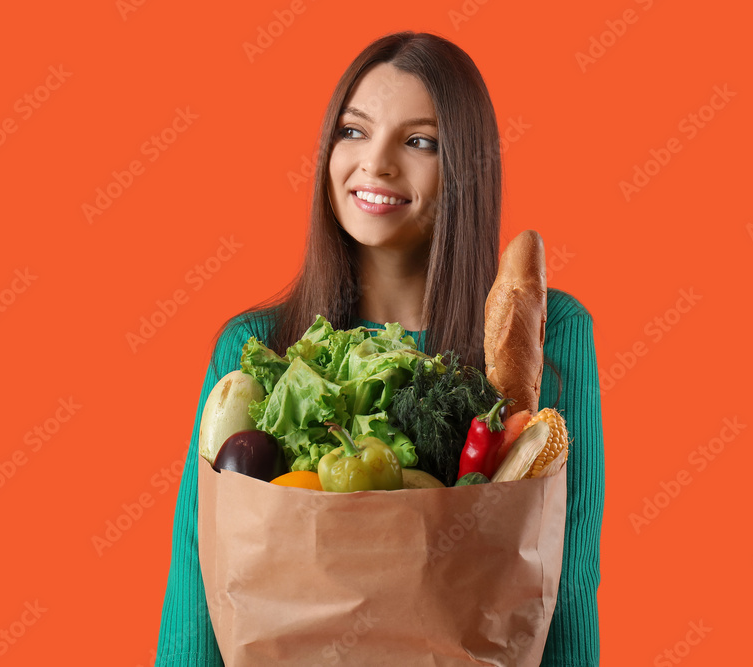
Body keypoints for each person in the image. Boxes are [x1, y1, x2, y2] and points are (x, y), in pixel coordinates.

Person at [154, 31, 604, 667]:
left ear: (467, 169)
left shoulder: (549, 335)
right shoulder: (255, 350)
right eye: (354, 131)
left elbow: (566, 583)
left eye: (419, 142)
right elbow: (198, 592)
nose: (376, 164)